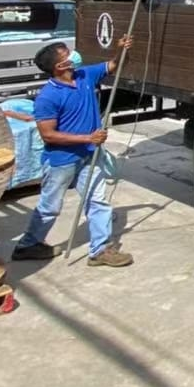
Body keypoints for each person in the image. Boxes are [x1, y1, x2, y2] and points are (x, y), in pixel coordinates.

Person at [11, 38, 133, 267]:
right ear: (60, 66)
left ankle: (100, 250)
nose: (74, 54)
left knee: (98, 201)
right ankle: (28, 245)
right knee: (50, 207)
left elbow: (114, 66)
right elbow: (48, 134)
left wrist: (121, 50)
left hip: (89, 155)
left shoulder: (85, 76)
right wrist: (88, 137)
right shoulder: (48, 97)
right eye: (67, 54)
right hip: (62, 161)